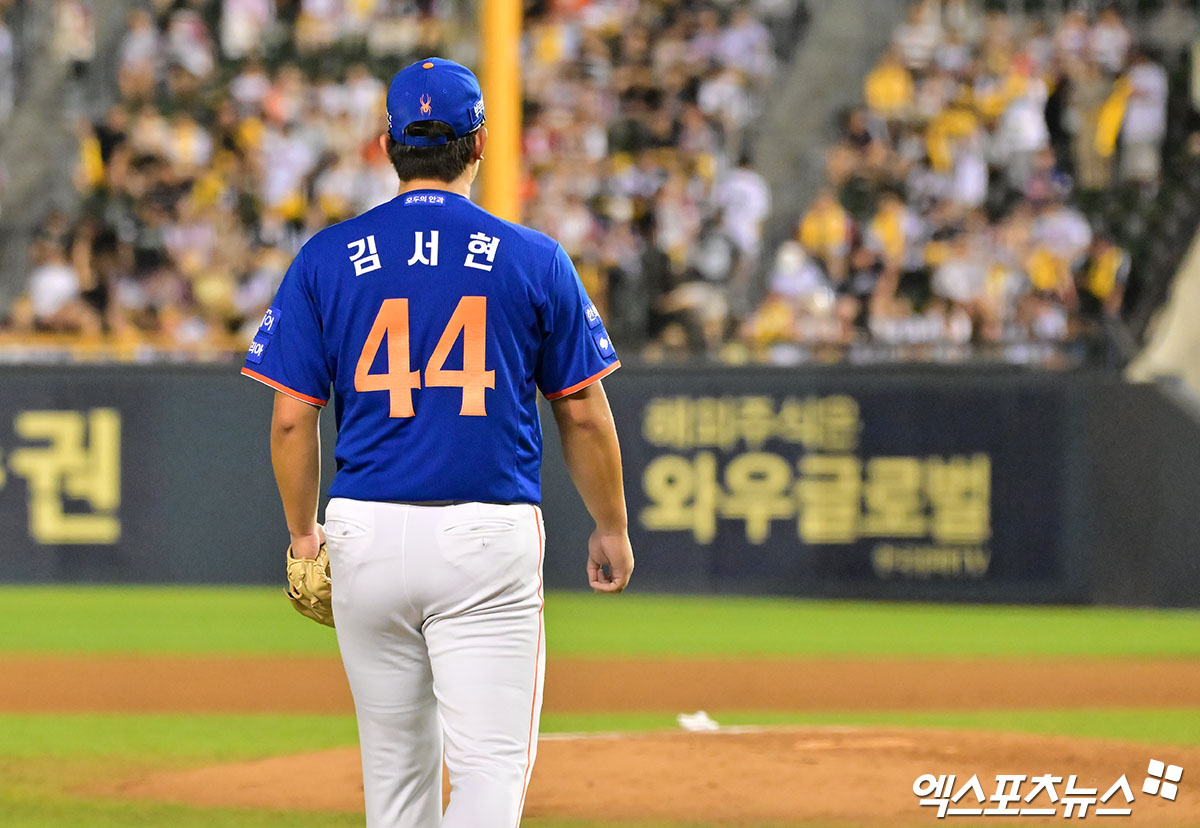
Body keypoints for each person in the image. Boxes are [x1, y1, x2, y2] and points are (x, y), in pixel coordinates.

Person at [241, 58, 634, 828]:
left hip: (364, 533)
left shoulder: (327, 255)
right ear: (479, 142)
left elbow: (292, 419)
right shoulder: (532, 256)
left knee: (395, 786)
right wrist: (612, 524)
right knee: (488, 775)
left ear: (387, 144)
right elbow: (583, 412)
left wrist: (303, 538)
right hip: (485, 536)